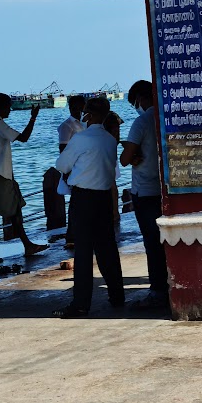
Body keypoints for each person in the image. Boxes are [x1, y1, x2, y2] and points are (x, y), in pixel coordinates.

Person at [56, 97, 125, 317]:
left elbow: (61, 164)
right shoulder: (110, 140)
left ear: (89, 115)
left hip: (83, 198)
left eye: (85, 112)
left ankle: (81, 303)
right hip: (103, 198)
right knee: (108, 249)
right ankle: (117, 295)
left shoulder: (81, 138)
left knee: (84, 251)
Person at [0, 93, 48, 267]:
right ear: (1, 107)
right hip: (1, 176)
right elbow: (23, 138)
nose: (10, 109)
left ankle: (26, 245)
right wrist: (33, 119)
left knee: (9, 210)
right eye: (8, 106)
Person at [120, 81, 167, 309]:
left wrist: (129, 151)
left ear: (140, 98)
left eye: (134, 103)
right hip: (165, 188)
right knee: (166, 241)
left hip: (145, 191)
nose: (135, 107)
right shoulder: (166, 116)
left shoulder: (141, 122)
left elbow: (125, 158)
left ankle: (158, 291)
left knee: (152, 242)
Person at [43, 94, 86, 233]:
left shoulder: (84, 123)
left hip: (85, 166)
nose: (80, 110)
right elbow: (63, 149)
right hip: (74, 167)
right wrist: (67, 170)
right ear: (72, 108)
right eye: (77, 107)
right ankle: (72, 232)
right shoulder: (67, 126)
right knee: (76, 200)